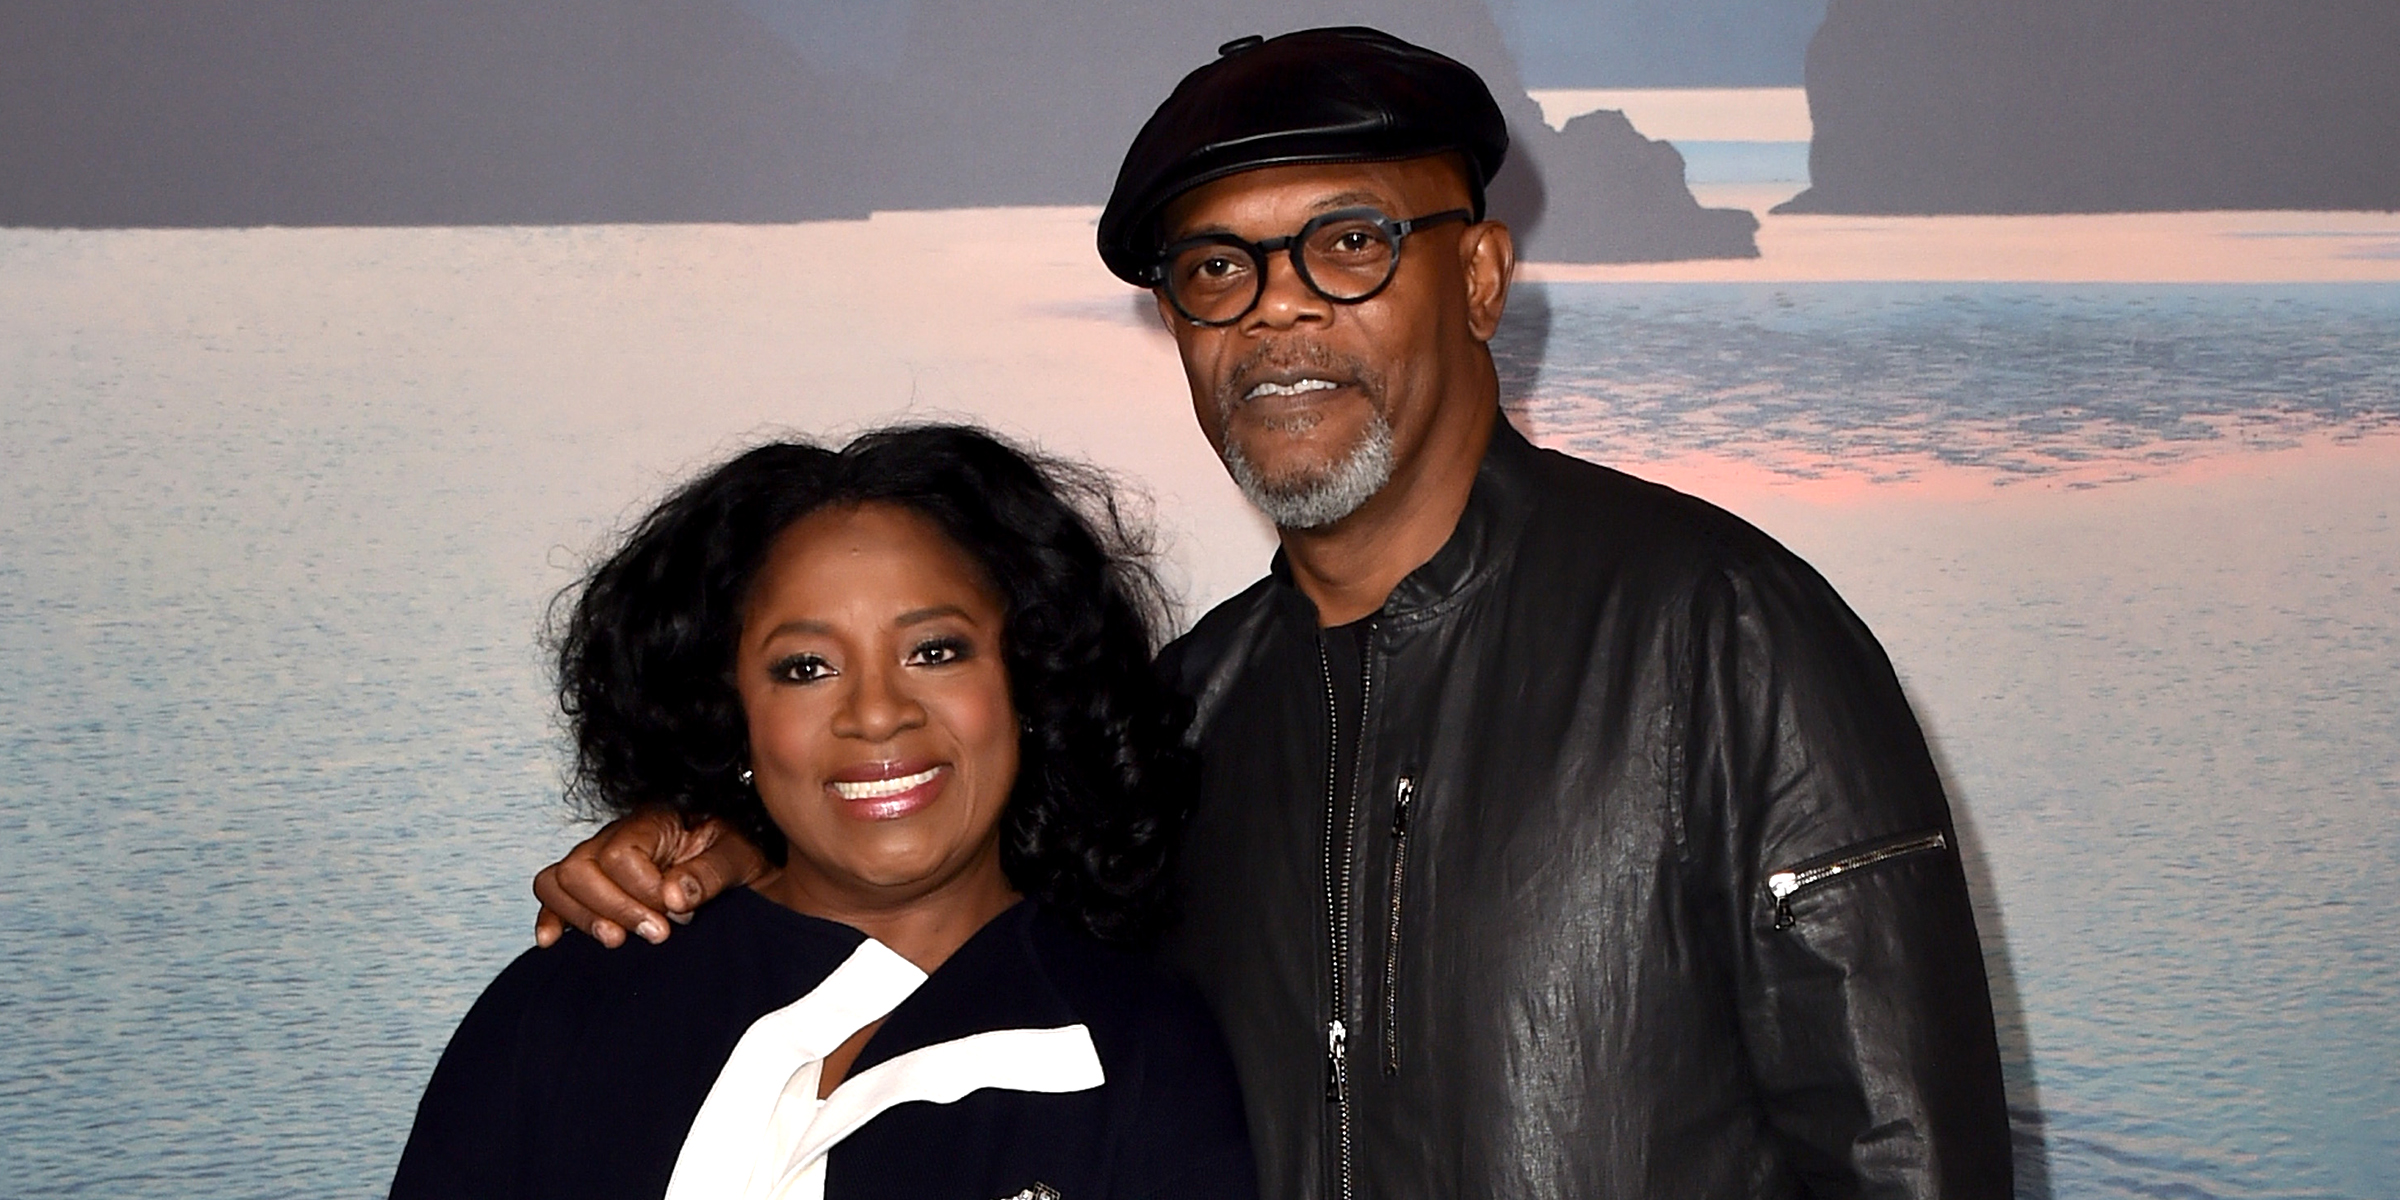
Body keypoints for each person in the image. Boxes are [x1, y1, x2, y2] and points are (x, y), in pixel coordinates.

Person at [530, 27, 2016, 1199]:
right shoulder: (1175, 722)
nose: (1279, 308)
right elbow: (952, 944)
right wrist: (719, 860)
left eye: (1351, 242)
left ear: (1484, 277)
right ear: (1175, 325)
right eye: (1216, 269)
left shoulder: (1726, 635)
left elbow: (1909, 1159)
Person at [392, 427, 1257, 1199]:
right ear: (730, 709)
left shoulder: (1141, 1053)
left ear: (1028, 681)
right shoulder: (564, 1009)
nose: (877, 713)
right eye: (805, 667)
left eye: (934, 650)